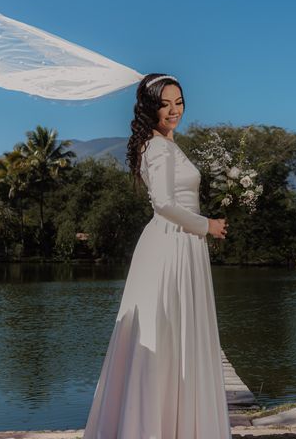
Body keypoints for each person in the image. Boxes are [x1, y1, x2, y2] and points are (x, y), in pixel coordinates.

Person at [84, 74, 231, 438]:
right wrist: (206, 226)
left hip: (178, 243)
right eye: (165, 104)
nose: (173, 110)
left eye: (178, 102)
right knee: (168, 335)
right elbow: (164, 203)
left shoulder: (165, 144)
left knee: (172, 335)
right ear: (150, 108)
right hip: (173, 245)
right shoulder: (159, 148)